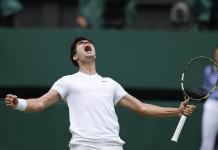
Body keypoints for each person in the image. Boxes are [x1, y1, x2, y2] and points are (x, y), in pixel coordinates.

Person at [4, 36, 195, 150]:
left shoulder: (110, 84)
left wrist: (177, 111)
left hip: (112, 146)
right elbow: (39, 104)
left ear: (94, 52)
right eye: (81, 43)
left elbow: (142, 108)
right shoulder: (67, 81)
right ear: (75, 56)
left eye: (88, 41)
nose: (86, 42)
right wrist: (18, 103)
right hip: (84, 146)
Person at [200, 46, 218, 150]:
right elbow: (206, 88)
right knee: (207, 144)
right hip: (212, 105)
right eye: (216, 55)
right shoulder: (208, 70)